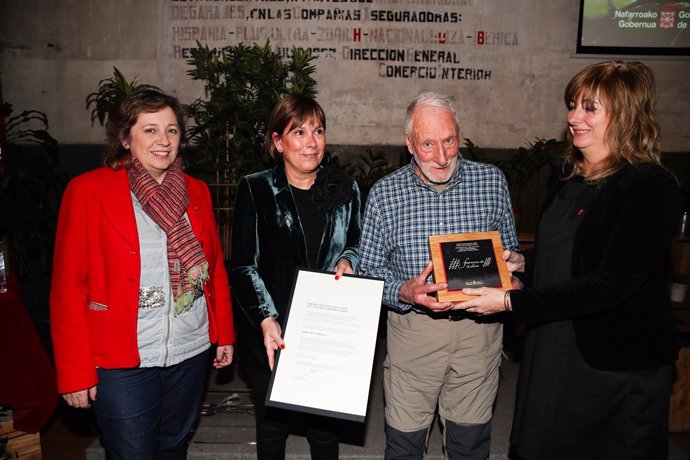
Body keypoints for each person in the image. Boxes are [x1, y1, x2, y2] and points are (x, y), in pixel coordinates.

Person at [458, 61, 680, 459]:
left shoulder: (651, 186)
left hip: (614, 359)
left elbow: (613, 282)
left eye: (589, 107)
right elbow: (568, 251)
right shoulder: (569, 175)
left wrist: (509, 302)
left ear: (625, 115)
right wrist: (522, 262)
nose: (573, 116)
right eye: (573, 104)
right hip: (555, 345)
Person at [50, 89, 235, 459]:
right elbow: (67, 288)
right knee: (132, 453)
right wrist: (74, 372)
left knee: (173, 447)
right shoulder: (88, 191)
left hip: (189, 349)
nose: (163, 141)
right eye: (150, 130)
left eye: (172, 130)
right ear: (125, 138)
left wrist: (223, 333)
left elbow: (213, 269)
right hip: (122, 359)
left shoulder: (196, 191)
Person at [359, 91, 519, 460]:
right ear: (409, 143)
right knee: (404, 446)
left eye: (449, 141)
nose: (443, 157)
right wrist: (403, 290)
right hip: (413, 338)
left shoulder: (491, 182)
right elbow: (367, 273)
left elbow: (511, 253)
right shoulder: (385, 194)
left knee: (470, 447)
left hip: (479, 337)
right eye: (428, 144)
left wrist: (515, 270)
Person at [229, 94, 361, 459]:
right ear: (277, 141)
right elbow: (242, 264)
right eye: (298, 132)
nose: (311, 142)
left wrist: (349, 260)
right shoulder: (256, 188)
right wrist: (265, 318)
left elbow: (356, 242)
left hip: (326, 333)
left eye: (317, 131)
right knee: (272, 429)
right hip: (274, 331)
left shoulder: (345, 188)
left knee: (324, 431)